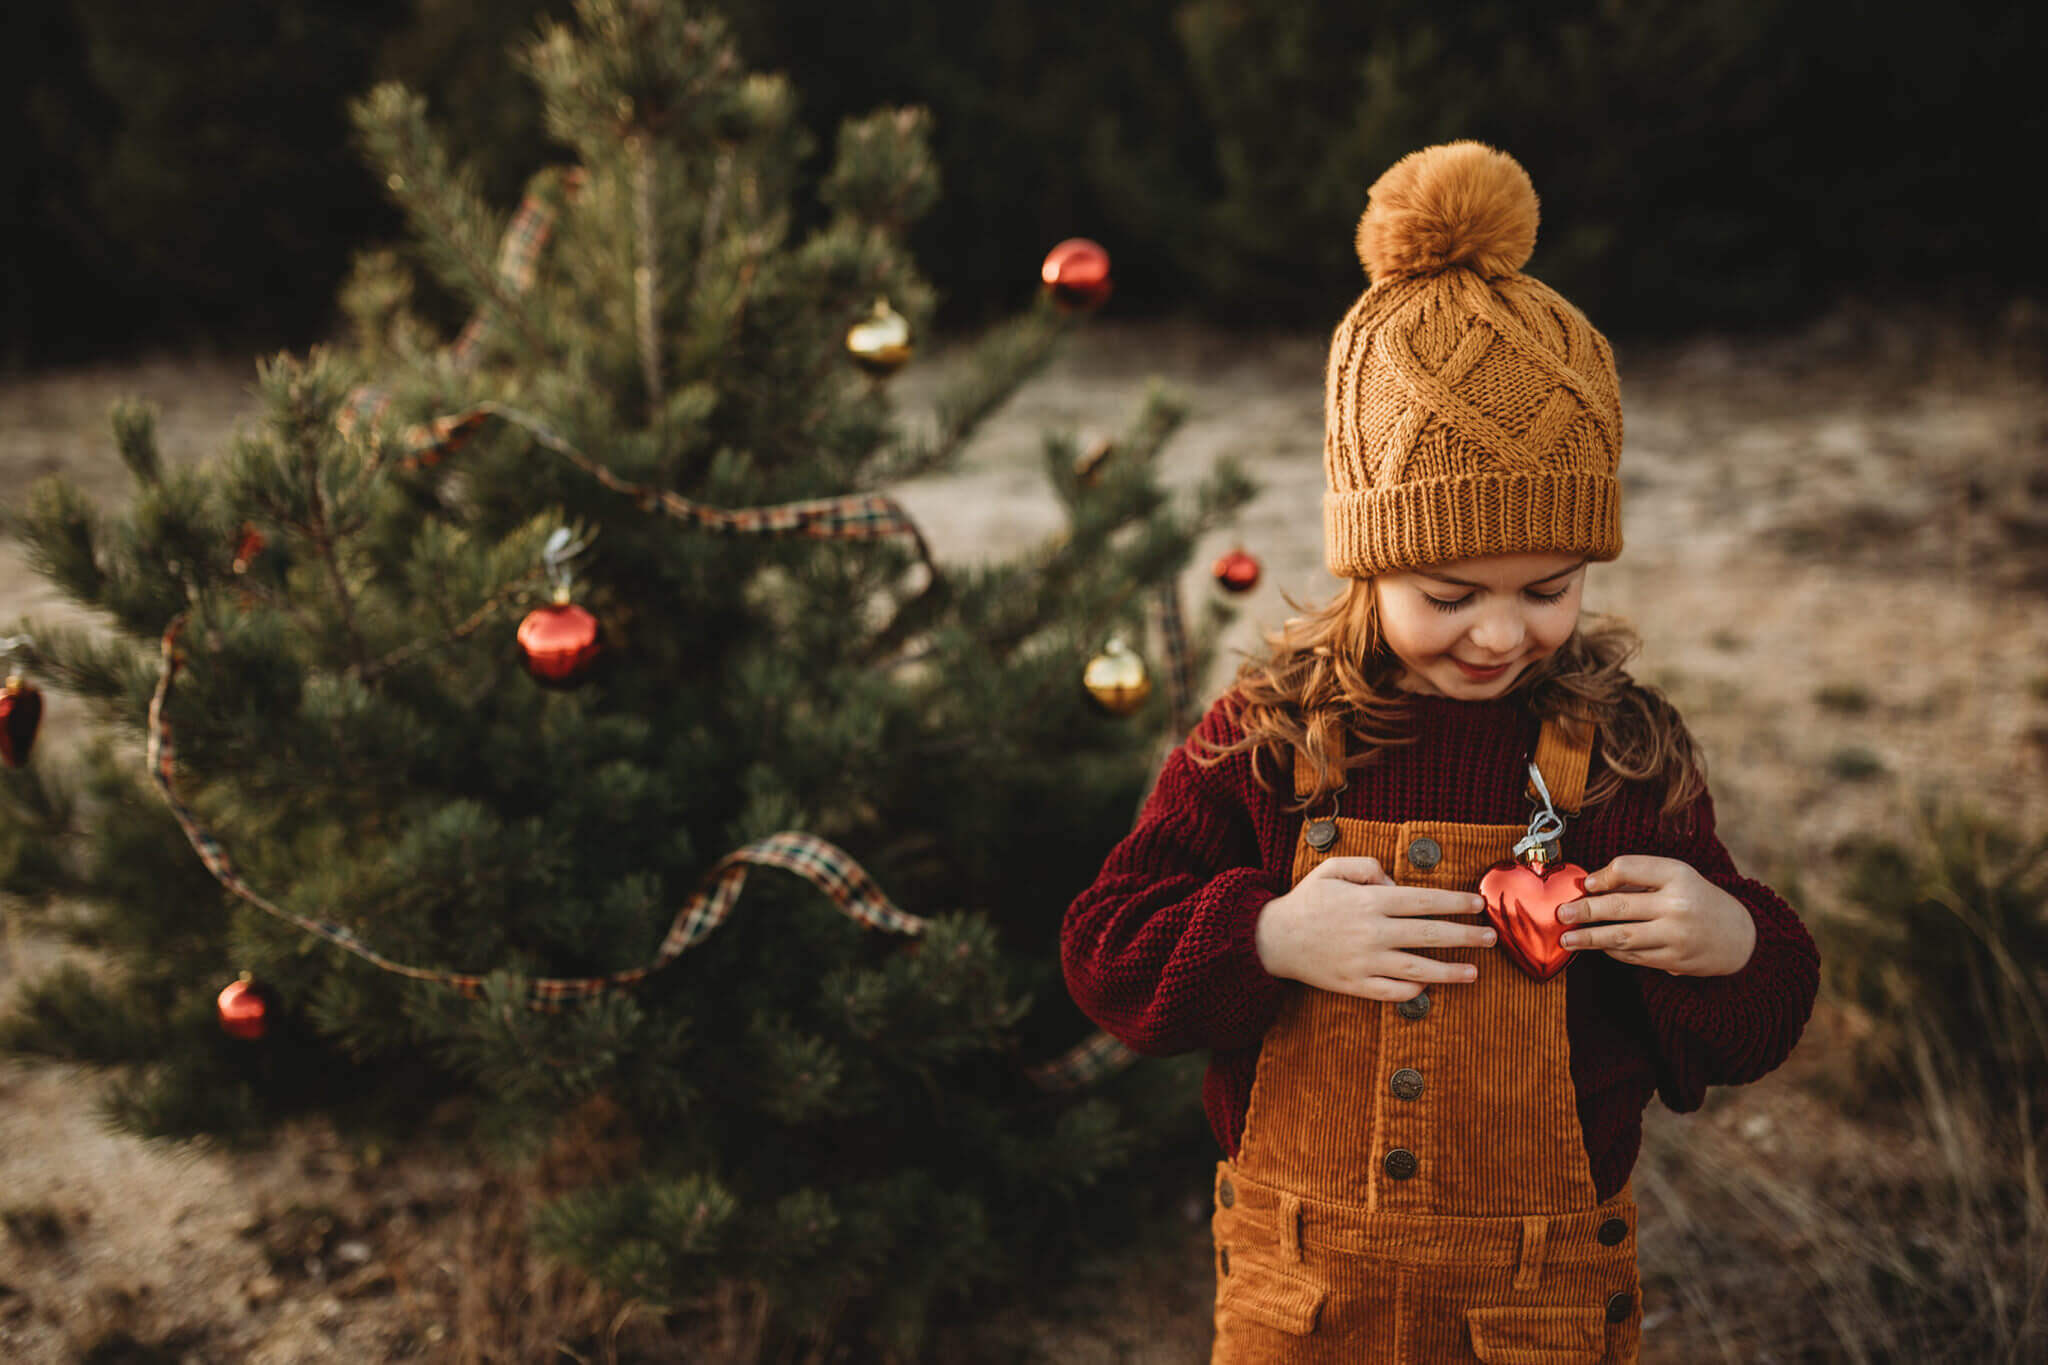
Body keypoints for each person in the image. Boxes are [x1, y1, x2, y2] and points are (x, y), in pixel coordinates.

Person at [1060, 141, 1819, 1364]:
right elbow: (1103, 951)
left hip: (1538, 1296)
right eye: (1450, 590)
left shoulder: (1615, 753)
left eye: (1549, 587)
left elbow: (1755, 1024)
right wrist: (1267, 936)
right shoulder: (1271, 734)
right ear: (1366, 556)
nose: (1502, 632)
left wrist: (1724, 939)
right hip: (1297, 1294)